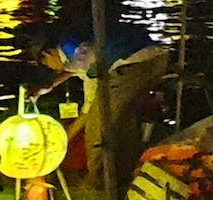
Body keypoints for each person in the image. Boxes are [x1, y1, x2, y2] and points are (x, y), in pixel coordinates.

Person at [30, 22, 170, 187]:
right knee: (123, 121)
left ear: (47, 53)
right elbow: (77, 67)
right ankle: (127, 174)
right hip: (154, 58)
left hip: (133, 66)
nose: (53, 70)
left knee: (97, 127)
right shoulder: (72, 43)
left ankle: (97, 183)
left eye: (47, 65)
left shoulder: (75, 51)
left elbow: (90, 104)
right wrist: (52, 84)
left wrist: (65, 137)